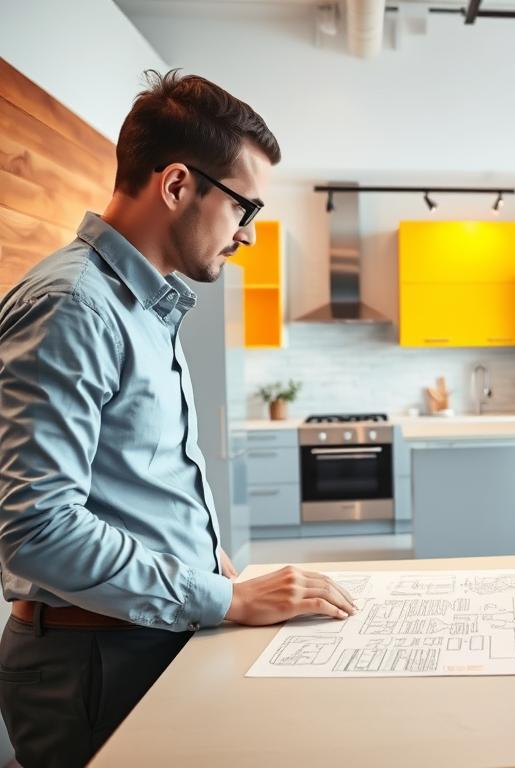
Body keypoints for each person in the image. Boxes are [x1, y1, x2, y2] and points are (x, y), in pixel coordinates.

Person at [0, 70, 356, 768]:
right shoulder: (75, 305)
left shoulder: (142, 306)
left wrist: (209, 562)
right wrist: (221, 598)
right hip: (92, 661)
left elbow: (137, 480)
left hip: (138, 638)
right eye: (243, 209)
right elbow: (36, 531)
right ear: (175, 186)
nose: (248, 235)